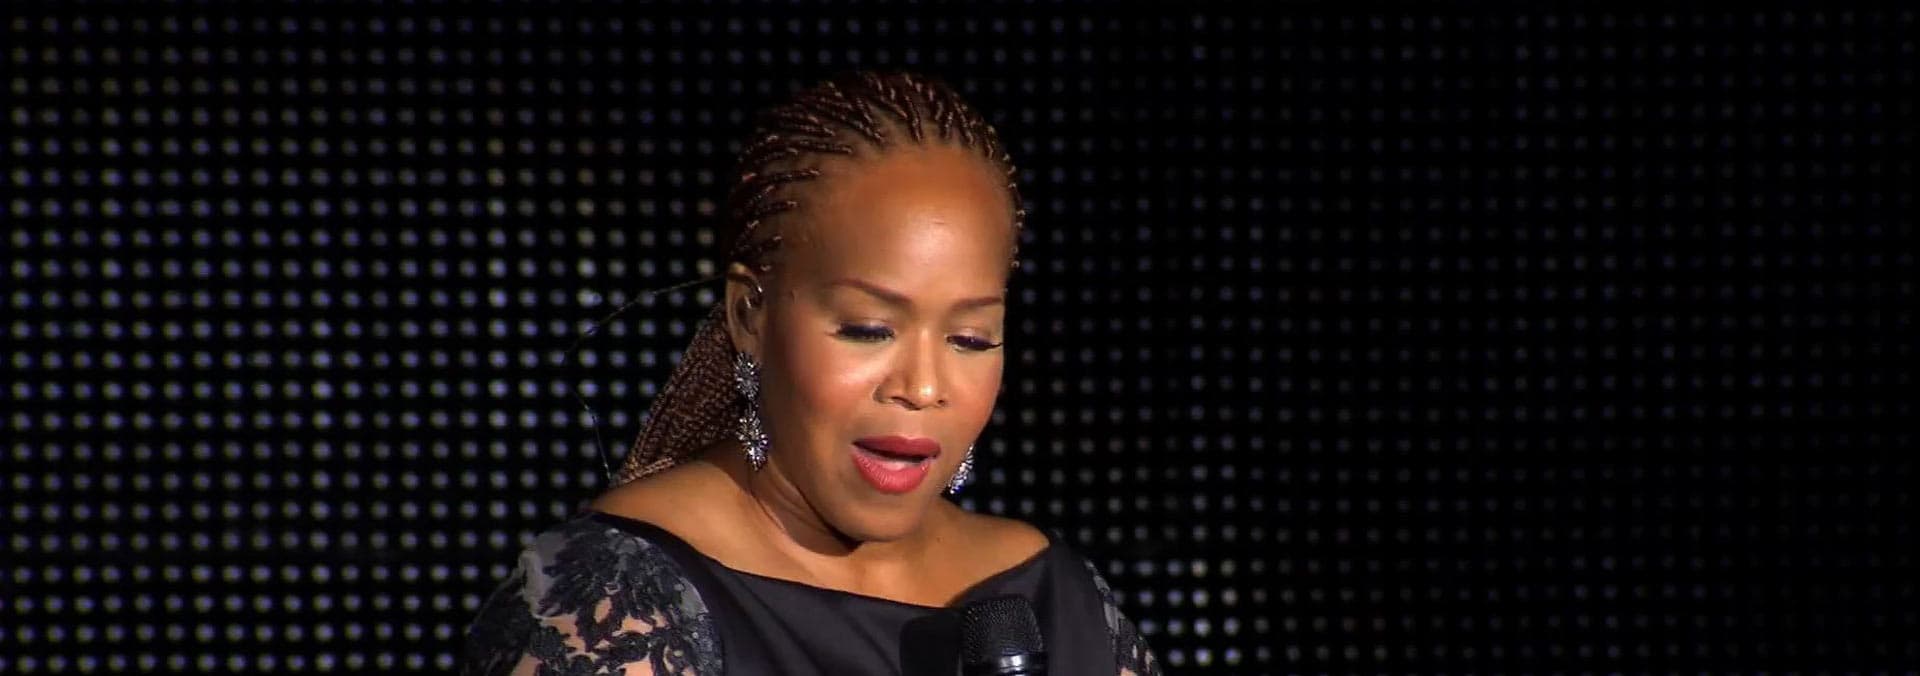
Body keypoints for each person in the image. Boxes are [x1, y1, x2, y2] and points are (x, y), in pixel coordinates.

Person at [459, 69, 1162, 675]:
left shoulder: (1052, 594)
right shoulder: (619, 605)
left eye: (971, 339)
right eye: (868, 330)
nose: (922, 387)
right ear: (749, 316)